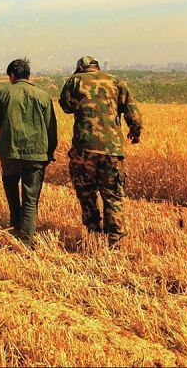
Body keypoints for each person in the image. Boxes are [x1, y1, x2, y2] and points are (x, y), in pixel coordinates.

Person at [58, 55, 142, 247]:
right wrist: (135, 132)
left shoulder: (75, 81)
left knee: (86, 194)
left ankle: (93, 237)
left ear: (80, 68)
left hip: (84, 149)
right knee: (113, 195)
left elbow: (66, 106)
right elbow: (133, 113)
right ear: (97, 67)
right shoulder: (116, 81)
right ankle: (115, 241)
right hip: (112, 150)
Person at [0, 58, 58, 247]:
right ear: (28, 75)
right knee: (30, 198)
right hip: (36, 154)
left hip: (9, 152)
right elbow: (51, 129)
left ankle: (15, 225)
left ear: (12, 75)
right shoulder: (43, 96)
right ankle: (25, 240)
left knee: (10, 186)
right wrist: (48, 153)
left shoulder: (4, 93)